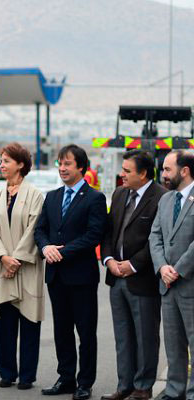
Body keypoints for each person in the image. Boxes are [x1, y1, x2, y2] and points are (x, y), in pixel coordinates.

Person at [34, 144, 106, 400]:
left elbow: (94, 234)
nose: (62, 169)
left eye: (67, 164)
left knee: (85, 332)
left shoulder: (95, 198)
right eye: (60, 164)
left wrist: (62, 251)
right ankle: (65, 379)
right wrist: (46, 247)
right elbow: (40, 230)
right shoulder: (52, 196)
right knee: (61, 331)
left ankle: (84, 382)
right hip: (56, 276)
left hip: (81, 276)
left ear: (81, 168)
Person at [100, 150, 166, 400]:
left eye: (127, 171)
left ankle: (143, 386)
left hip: (143, 279)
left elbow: (158, 240)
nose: (121, 174)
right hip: (116, 277)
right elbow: (108, 233)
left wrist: (134, 264)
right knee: (123, 336)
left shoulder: (162, 197)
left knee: (146, 335)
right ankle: (124, 385)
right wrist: (109, 260)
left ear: (143, 173)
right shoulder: (119, 194)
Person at [0, 143, 44, 390]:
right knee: (4, 324)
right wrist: (3, 257)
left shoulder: (35, 194)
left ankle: (27, 376)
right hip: (2, 267)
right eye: (1, 161)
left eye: (6, 161)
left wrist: (16, 260)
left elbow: (34, 229)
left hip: (26, 267)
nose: (1, 165)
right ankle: (7, 372)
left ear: (20, 164)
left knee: (29, 322)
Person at [149, 150, 194, 400]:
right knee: (174, 344)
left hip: (189, 282)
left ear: (184, 171)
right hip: (167, 284)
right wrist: (162, 267)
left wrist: (178, 269)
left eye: (167, 169)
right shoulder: (166, 200)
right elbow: (155, 236)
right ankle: (175, 390)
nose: (163, 174)